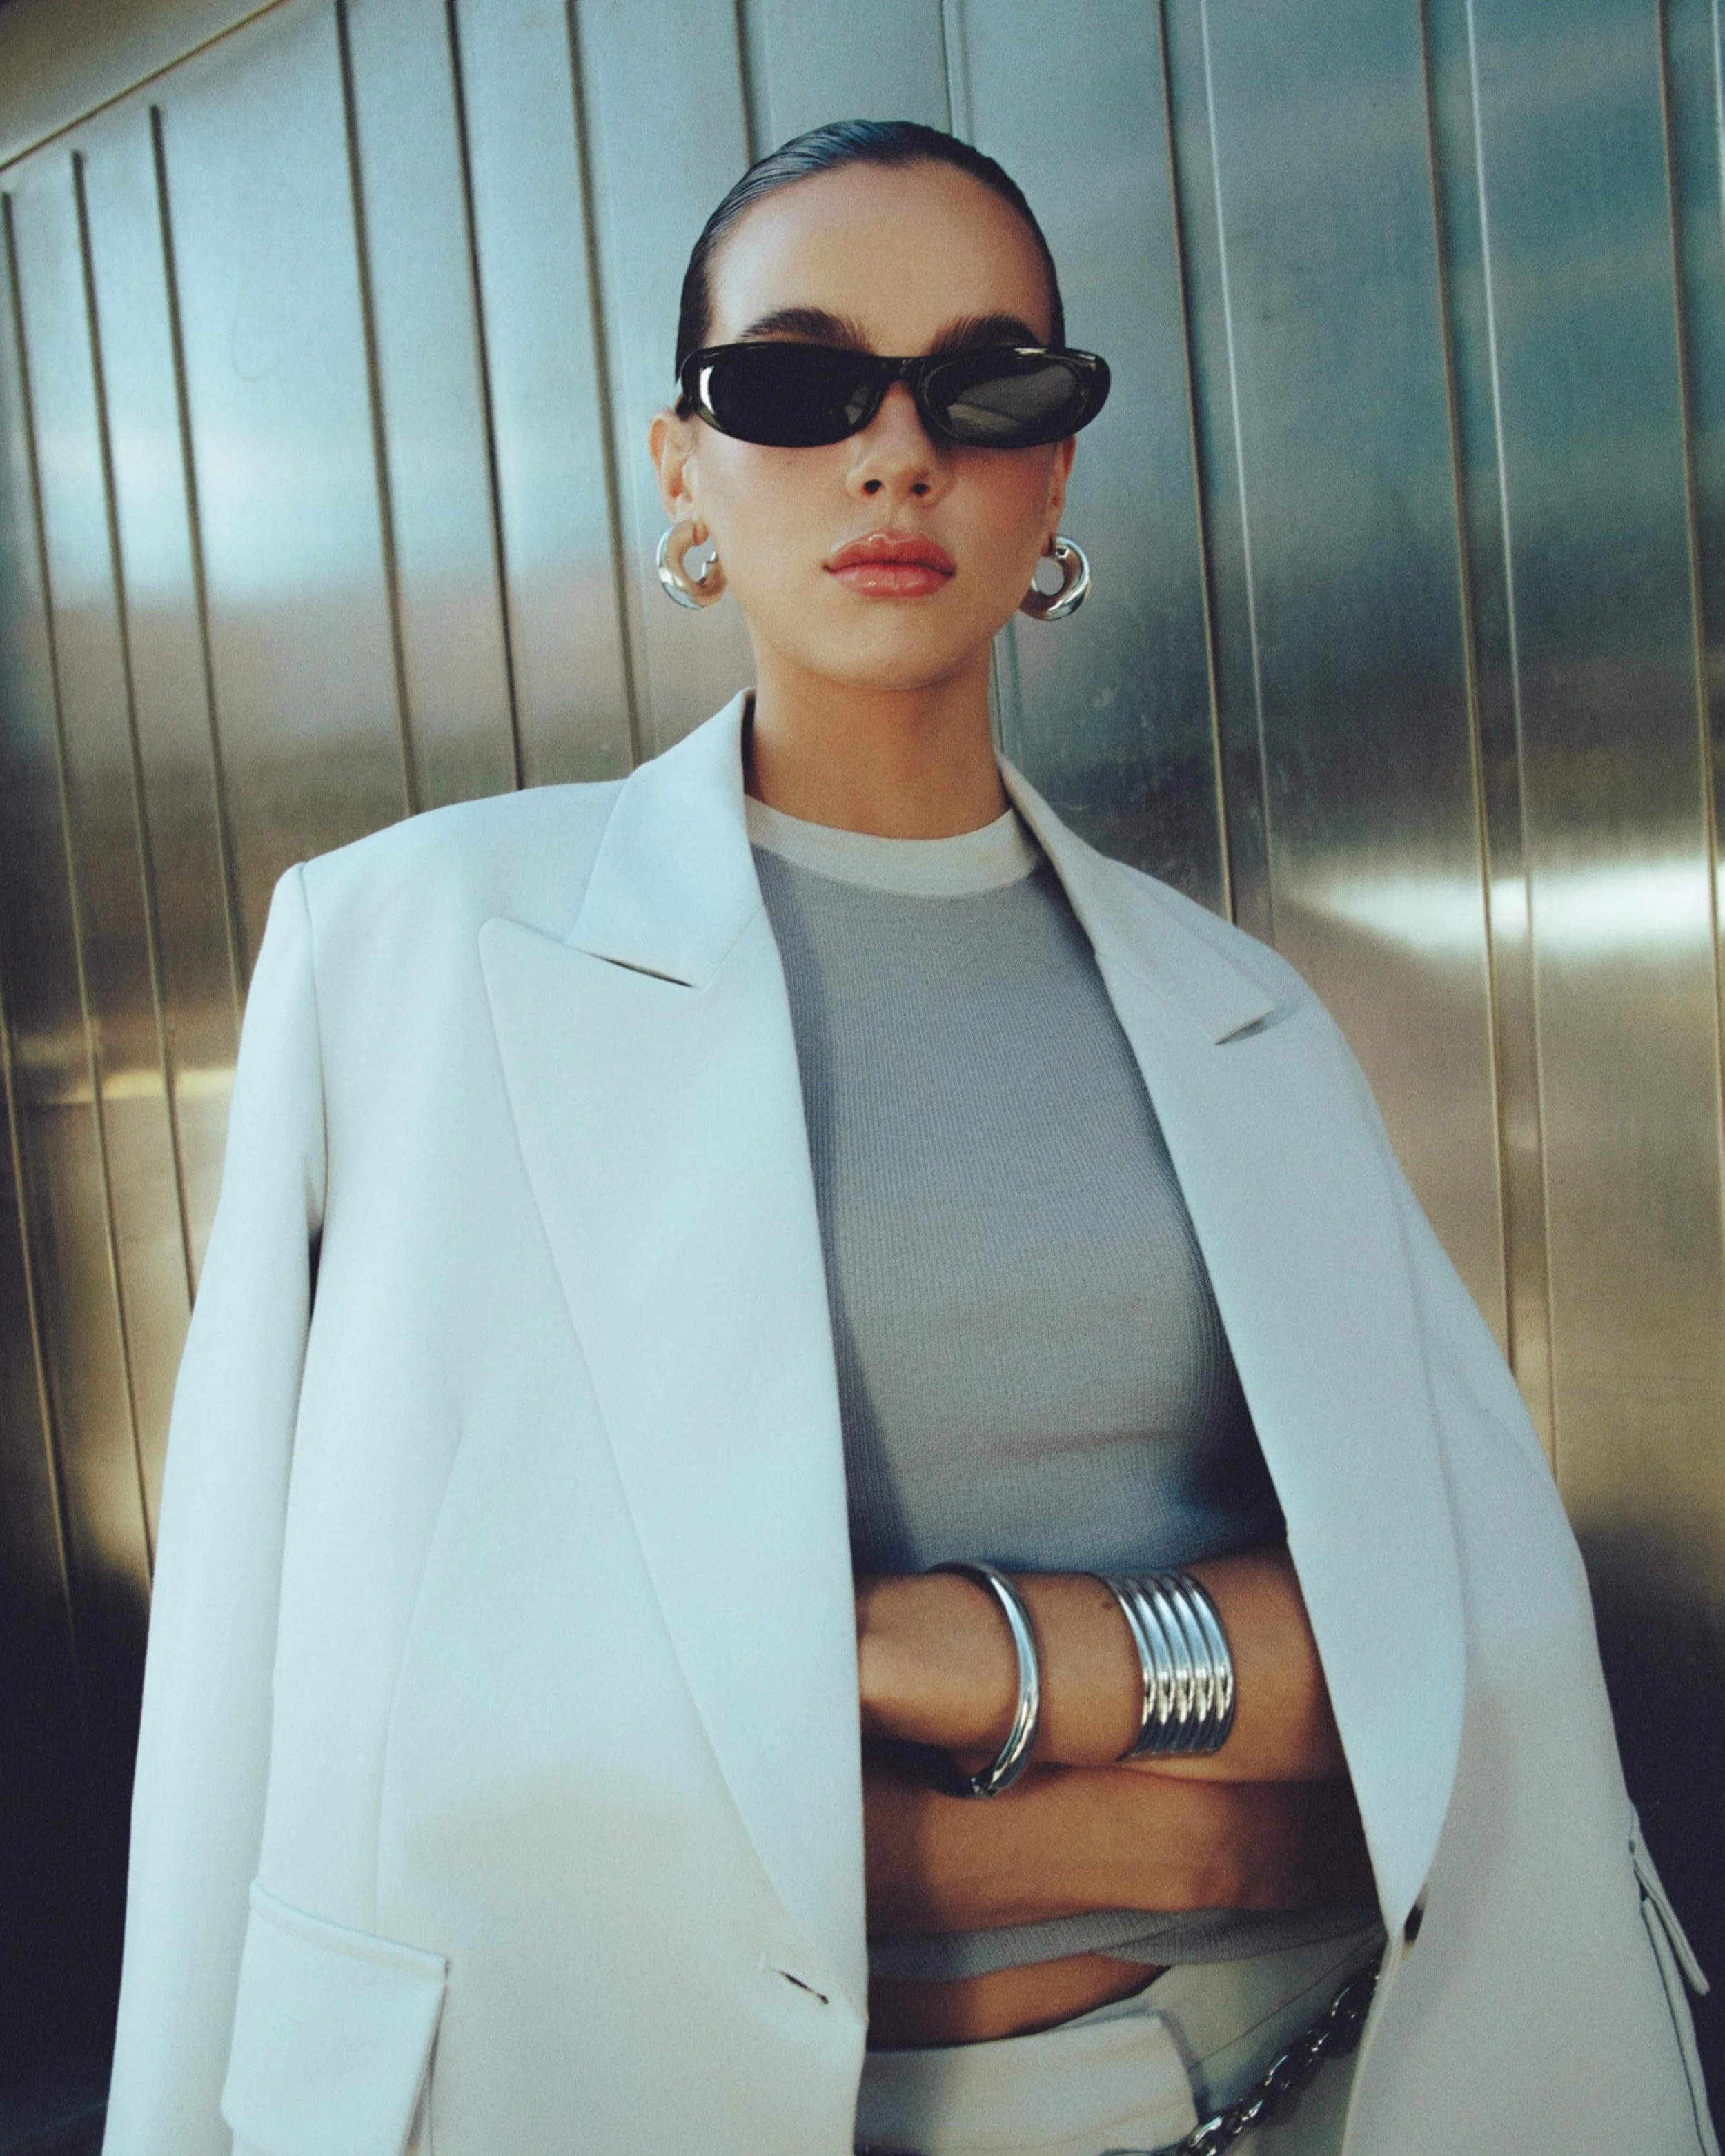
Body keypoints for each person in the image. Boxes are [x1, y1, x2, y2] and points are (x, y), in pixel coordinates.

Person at [100, 121, 1715, 2156]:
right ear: (682, 467)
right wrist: (1118, 1820)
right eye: (793, 384)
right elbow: (282, 1690)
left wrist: (983, 1661)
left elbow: (1449, 1651)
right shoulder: (405, 949)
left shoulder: (1254, 1011)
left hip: (1267, 2080)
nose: (893, 451)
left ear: (1052, 469)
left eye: (985, 384)